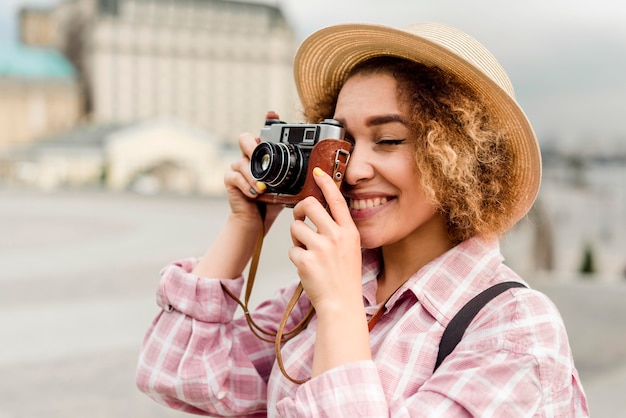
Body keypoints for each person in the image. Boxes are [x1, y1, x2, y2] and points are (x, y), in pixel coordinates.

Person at [136, 22, 588, 416]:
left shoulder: (514, 332)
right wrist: (245, 225)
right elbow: (177, 372)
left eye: (388, 139)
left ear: (461, 158)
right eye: (343, 141)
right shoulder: (340, 289)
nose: (352, 170)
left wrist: (339, 308)